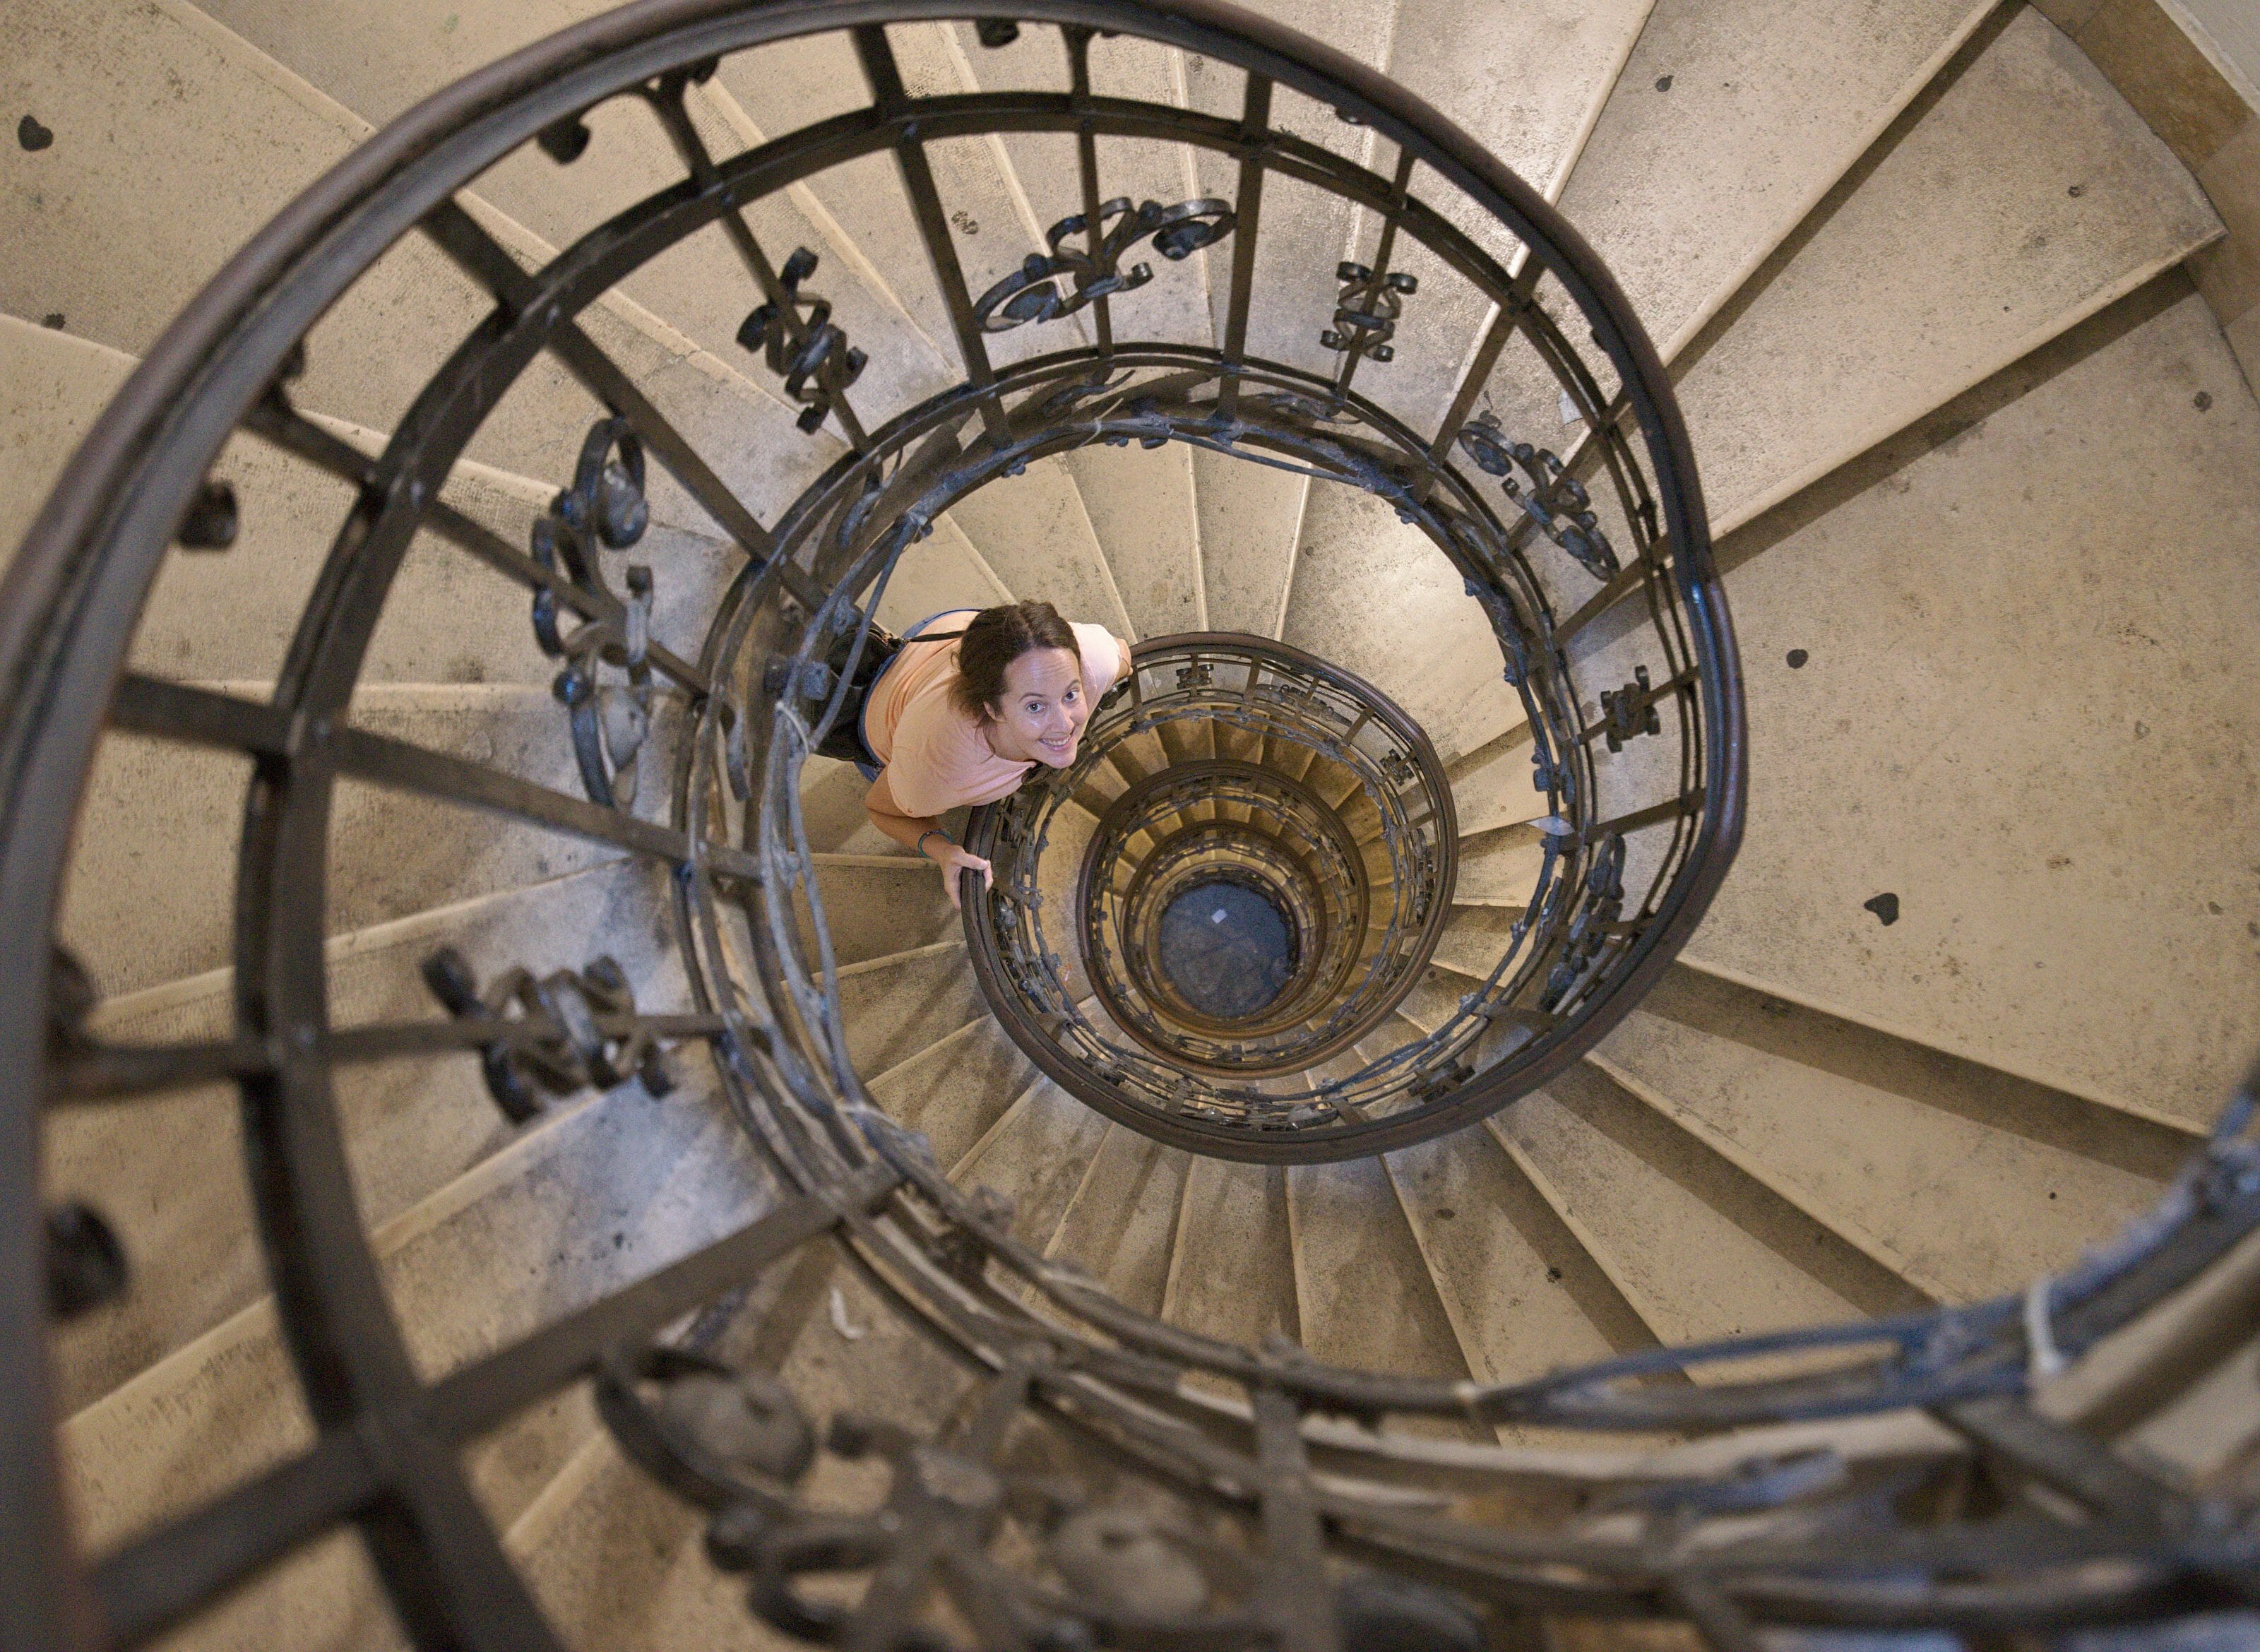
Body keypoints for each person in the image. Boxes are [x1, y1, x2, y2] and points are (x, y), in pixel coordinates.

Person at [854, 601, 1131, 908]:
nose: (1065, 725)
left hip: (955, 629)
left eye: (1070, 694)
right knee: (904, 788)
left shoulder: (1094, 660)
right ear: (992, 709)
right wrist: (944, 851)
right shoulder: (943, 766)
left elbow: (1123, 654)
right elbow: (880, 809)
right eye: (1035, 707)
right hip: (880, 706)